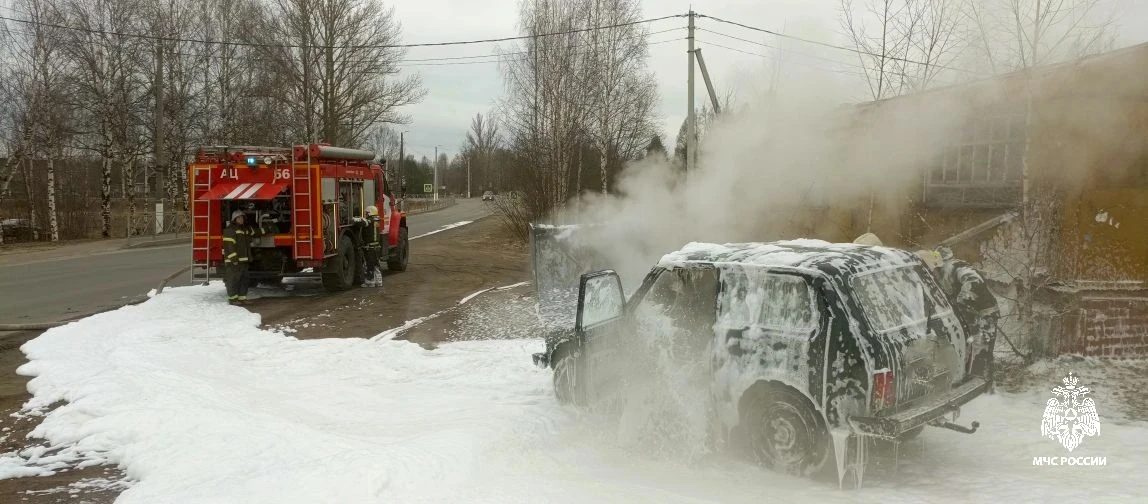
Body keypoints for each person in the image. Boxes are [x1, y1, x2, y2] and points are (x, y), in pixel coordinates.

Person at [933, 246, 999, 383]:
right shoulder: (942, 271)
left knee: (981, 348)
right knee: (970, 345)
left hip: (985, 313)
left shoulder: (956, 267)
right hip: (972, 314)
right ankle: (971, 379)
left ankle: (982, 385)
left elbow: (974, 280)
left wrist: (963, 298)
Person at [222, 210, 267, 305]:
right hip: (234, 262)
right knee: (233, 280)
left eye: (242, 218)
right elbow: (229, 246)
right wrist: (234, 259)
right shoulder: (230, 230)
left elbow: (255, 232)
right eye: (239, 218)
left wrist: (267, 229)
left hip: (244, 261)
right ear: (234, 219)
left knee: (244, 280)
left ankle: (242, 298)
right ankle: (233, 299)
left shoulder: (245, 229)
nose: (241, 219)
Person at [360, 205, 383, 287]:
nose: (366, 214)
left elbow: (363, 222)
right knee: (376, 264)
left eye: (366, 213)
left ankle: (370, 282)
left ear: (370, 213)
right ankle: (379, 281)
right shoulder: (377, 220)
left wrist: (356, 219)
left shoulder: (369, 221)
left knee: (369, 265)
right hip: (377, 247)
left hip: (370, 247)